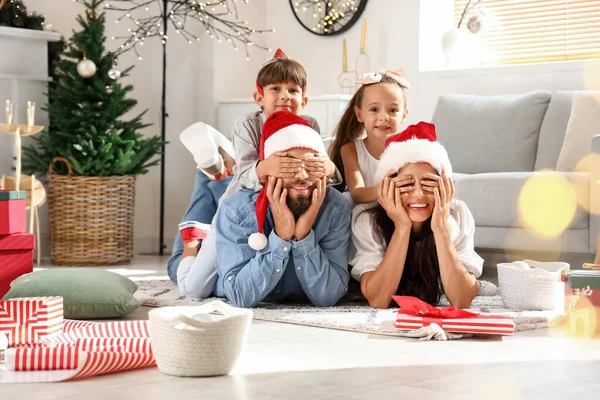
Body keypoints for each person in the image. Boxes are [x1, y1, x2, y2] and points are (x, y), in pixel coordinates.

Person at [169, 49, 341, 298]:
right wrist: (266, 167)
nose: (285, 96)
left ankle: (219, 166)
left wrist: (329, 168)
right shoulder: (248, 125)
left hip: (282, 207)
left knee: (237, 279)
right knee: (194, 289)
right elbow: (246, 174)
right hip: (242, 208)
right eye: (275, 89)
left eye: (293, 91)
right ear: (259, 97)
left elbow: (318, 170)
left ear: (304, 100)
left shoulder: (309, 124)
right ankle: (192, 243)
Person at [213, 111, 351, 308]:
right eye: (290, 165)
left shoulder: (336, 206)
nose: (302, 175)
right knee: (192, 283)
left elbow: (329, 296)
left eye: (311, 164)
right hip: (221, 226)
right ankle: (208, 179)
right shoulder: (236, 209)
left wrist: (303, 236)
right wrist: (281, 237)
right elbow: (239, 295)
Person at [349, 122, 492, 309]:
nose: (418, 195)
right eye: (406, 185)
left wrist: (441, 228)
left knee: (467, 283)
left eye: (428, 184)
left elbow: (461, 300)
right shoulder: (367, 220)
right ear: (387, 186)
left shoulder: (457, 215)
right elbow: (378, 300)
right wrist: (402, 227)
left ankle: (477, 285)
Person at [328, 69, 409, 204]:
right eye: (374, 109)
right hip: (364, 212)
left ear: (404, 115)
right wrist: (389, 187)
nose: (383, 117)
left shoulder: (410, 149)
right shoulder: (350, 150)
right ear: (359, 114)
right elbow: (357, 194)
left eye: (393, 110)